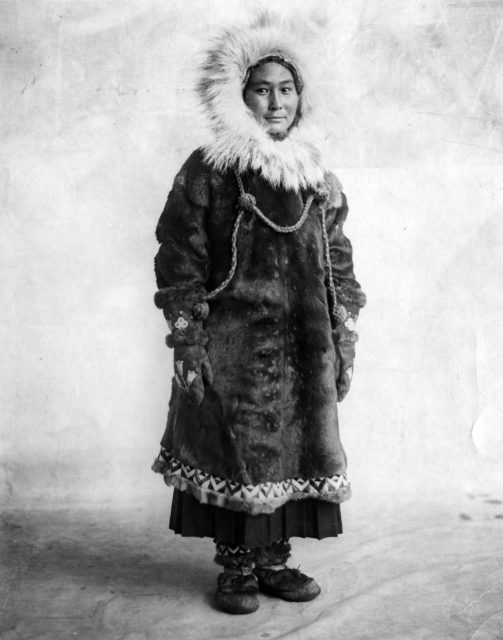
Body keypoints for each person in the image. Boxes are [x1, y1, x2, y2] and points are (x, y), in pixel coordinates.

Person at [152, 14, 366, 615]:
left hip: (305, 346)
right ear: (239, 96)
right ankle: (237, 566)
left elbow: (339, 263)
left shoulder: (318, 179)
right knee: (238, 451)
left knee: (297, 451)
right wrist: (188, 339)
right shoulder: (211, 170)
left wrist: (345, 335)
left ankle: (274, 560)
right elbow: (180, 255)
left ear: (302, 96)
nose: (276, 102)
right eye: (262, 89)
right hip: (234, 347)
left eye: (286, 89)